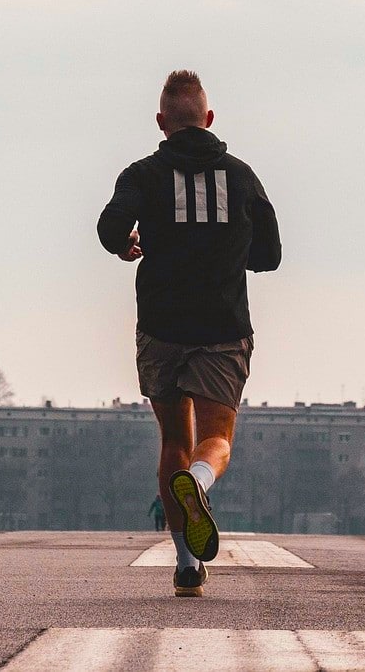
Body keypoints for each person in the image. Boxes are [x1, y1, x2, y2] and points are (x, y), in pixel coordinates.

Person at [98, 69, 281, 598]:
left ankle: (185, 565)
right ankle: (200, 483)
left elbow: (111, 226)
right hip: (222, 327)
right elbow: (269, 256)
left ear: (161, 123)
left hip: (161, 327)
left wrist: (126, 244)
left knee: (174, 440)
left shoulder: (143, 174)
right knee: (215, 439)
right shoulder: (242, 177)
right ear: (209, 119)